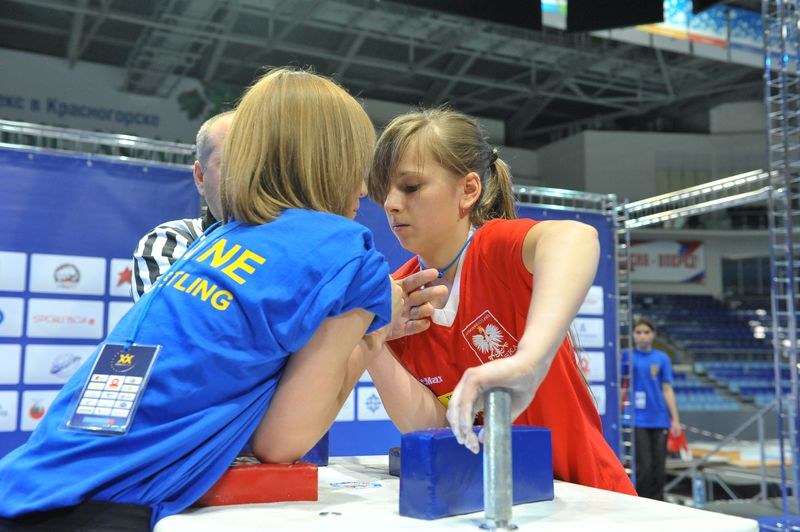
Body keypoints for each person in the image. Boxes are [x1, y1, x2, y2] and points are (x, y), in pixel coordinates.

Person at [0, 67, 399, 531]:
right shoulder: (349, 253)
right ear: (332, 163)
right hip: (108, 504)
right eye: (357, 164)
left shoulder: (217, 239)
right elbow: (282, 443)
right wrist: (374, 335)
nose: (365, 189)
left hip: (31, 480)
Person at [365, 107, 636, 495]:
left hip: (587, 498)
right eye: (384, 191)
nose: (390, 203)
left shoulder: (495, 250)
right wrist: (374, 341)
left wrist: (529, 359)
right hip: (498, 503)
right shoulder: (399, 295)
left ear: (468, 190)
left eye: (410, 187)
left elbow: (576, 238)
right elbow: (438, 427)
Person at [131, 110, 233, 301]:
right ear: (200, 177)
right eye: (230, 165)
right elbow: (177, 325)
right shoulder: (170, 242)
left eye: (257, 164)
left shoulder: (289, 241)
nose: (245, 177)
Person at [623, 318, 682, 500]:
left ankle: (659, 503)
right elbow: (622, 386)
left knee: (659, 466)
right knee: (645, 465)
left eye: (646, 332)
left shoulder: (662, 358)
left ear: (653, 335)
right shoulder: (627, 356)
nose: (642, 336)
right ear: (633, 335)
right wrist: (617, 413)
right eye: (638, 332)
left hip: (660, 419)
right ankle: (642, 502)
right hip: (637, 419)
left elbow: (667, 388)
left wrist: (676, 419)